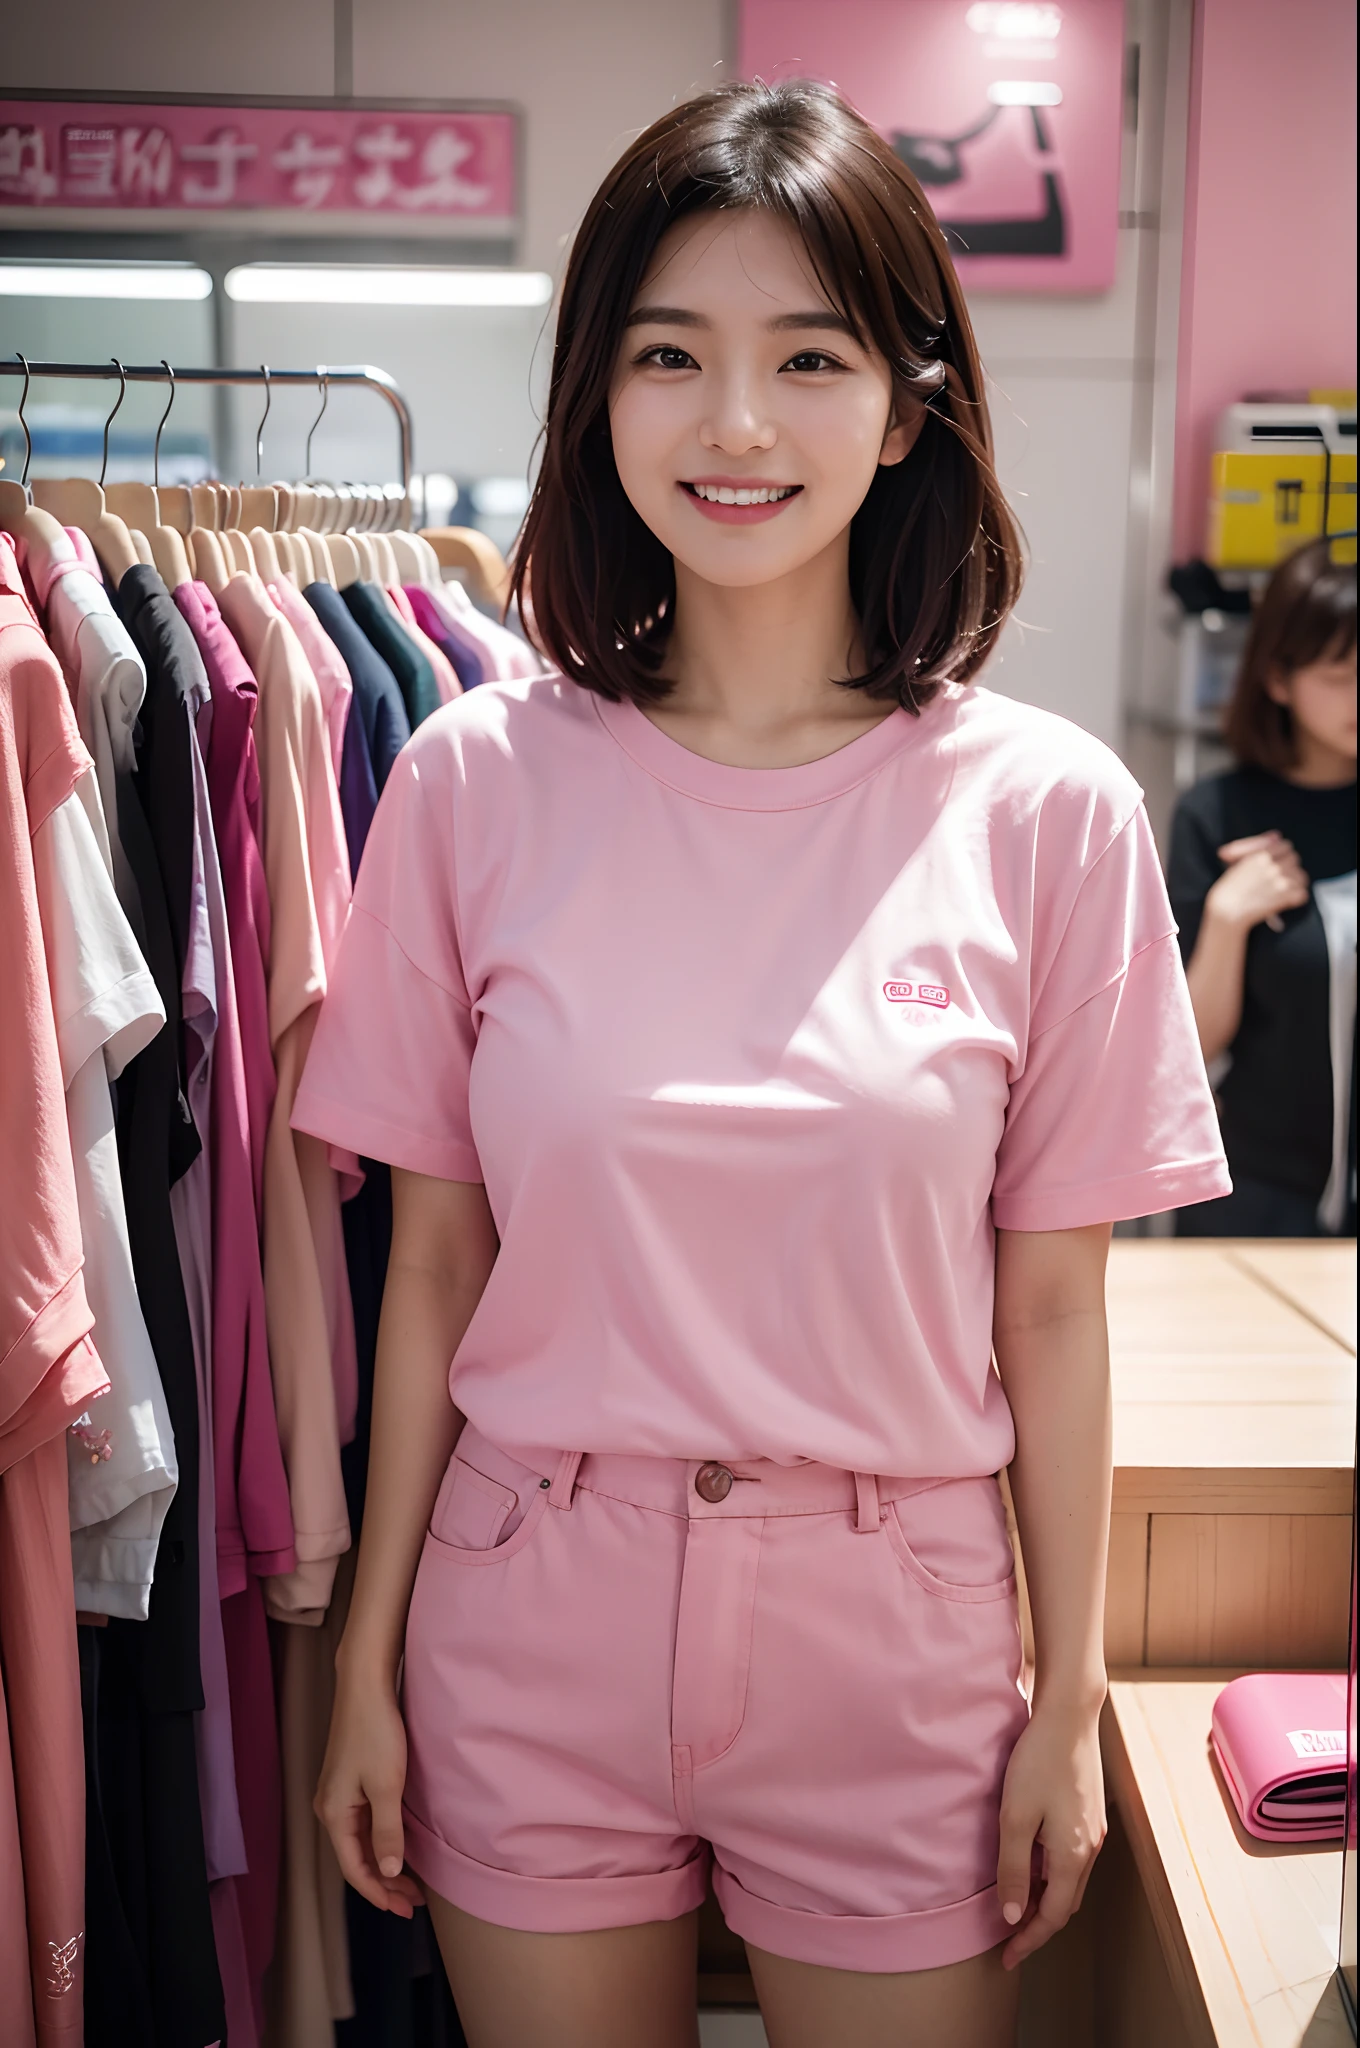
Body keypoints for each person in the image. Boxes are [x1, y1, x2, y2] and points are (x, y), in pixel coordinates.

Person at [293, 82, 1229, 2048]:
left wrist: (1060, 1701)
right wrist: (366, 1655)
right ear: (594, 400)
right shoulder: (469, 783)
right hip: (528, 1603)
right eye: (667, 356)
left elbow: (1052, 1314)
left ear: (904, 408)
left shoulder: (1047, 811)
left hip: (892, 1642)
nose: (732, 422)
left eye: (804, 357)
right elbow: (434, 1273)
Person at [1169, 540, 1357, 1237]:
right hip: (1257, 1195)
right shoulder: (1217, 816)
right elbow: (1188, 1049)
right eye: (1341, 674)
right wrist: (1226, 918)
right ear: (1278, 678)